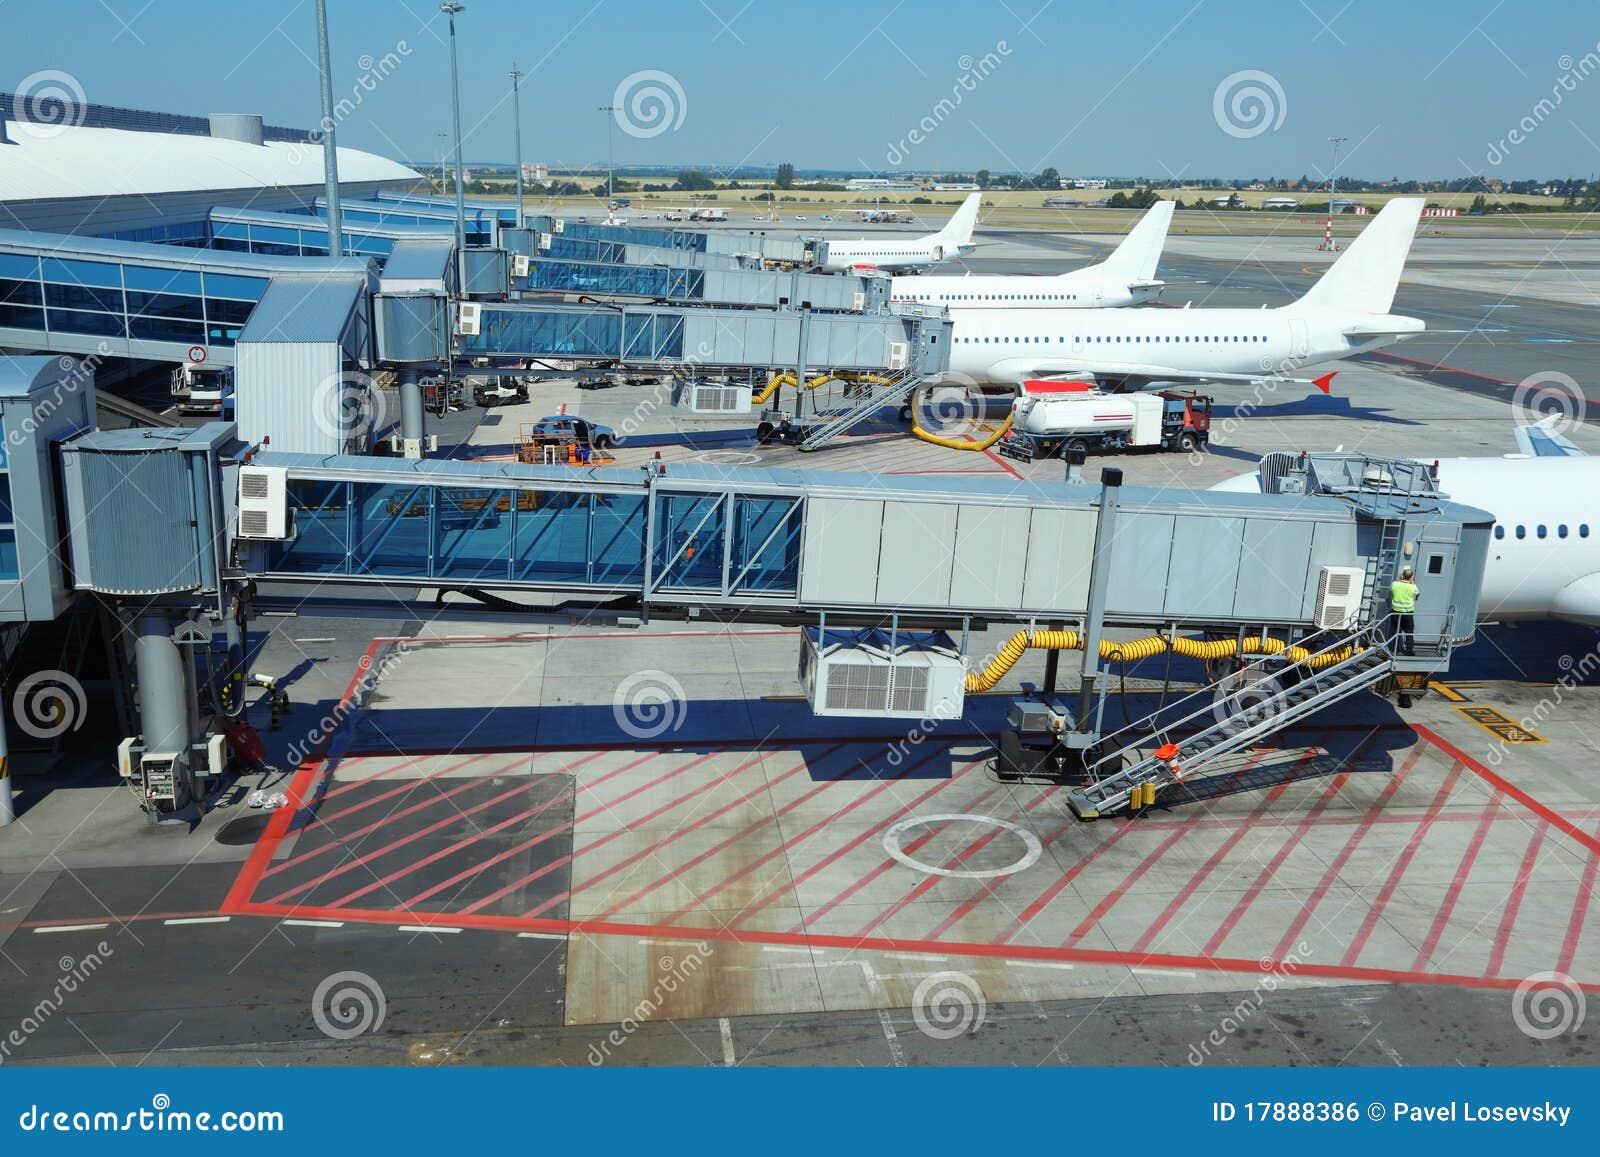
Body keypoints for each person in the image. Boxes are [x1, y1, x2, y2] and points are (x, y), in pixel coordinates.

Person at [1390, 566, 1419, 655]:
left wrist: (1399, 579)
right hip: (1407, 613)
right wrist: (1412, 582)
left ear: (1402, 575)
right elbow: (1417, 594)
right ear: (1411, 577)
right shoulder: (1413, 587)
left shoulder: (1394, 584)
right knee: (1409, 631)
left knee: (1397, 631)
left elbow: (1391, 590)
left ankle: (1398, 649)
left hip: (1395, 611)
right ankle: (1409, 650)